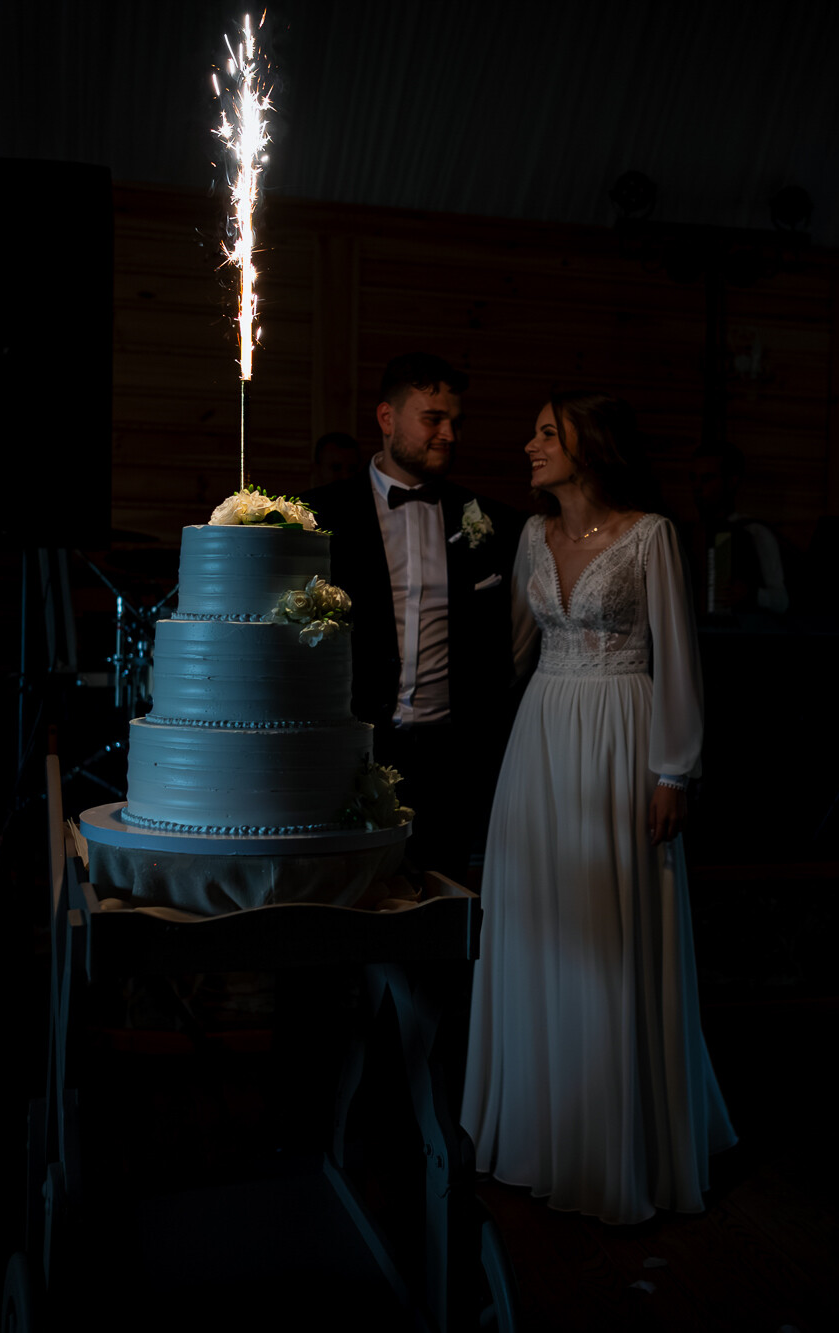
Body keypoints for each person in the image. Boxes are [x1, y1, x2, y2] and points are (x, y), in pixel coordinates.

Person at [463, 391, 735, 1226]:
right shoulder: (530, 537)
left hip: (623, 736)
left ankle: (617, 1140)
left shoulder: (650, 536)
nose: (529, 445)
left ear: (591, 445)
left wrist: (673, 772)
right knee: (540, 924)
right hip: (541, 740)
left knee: (611, 930)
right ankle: (538, 1131)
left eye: (546, 433)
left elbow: (678, 657)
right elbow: (513, 652)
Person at [300, 355, 522, 878]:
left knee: (443, 895)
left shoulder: (490, 521)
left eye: (455, 422)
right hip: (352, 750)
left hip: (452, 758)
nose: (449, 435)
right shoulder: (319, 516)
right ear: (387, 418)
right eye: (433, 419)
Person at [690, 441, 789, 614]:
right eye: (693, 478)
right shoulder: (687, 533)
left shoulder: (755, 532)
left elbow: (782, 600)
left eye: (707, 479)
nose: (698, 487)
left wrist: (752, 594)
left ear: (731, 482)